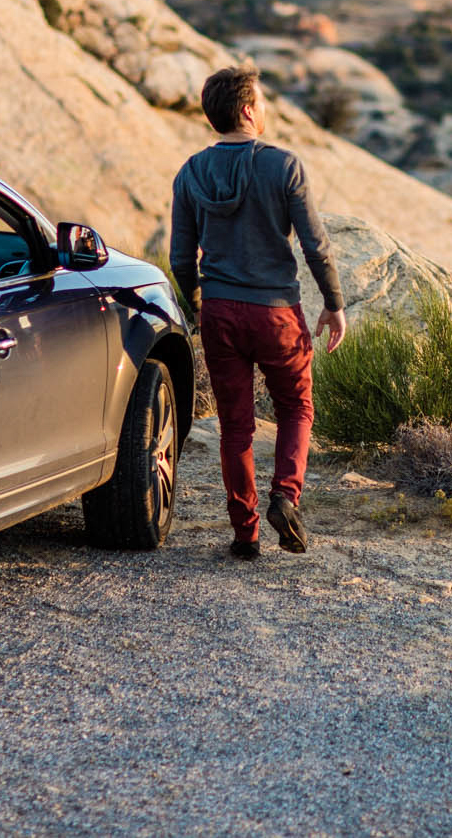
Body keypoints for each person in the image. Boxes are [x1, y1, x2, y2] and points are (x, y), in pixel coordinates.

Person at [170, 64, 346, 560]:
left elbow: (181, 259)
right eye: (263, 101)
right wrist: (333, 304)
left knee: (236, 427)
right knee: (295, 406)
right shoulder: (283, 165)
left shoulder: (190, 173)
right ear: (249, 110)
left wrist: (197, 309)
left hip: (220, 313)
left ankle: (245, 533)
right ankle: (285, 496)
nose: (265, 109)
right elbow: (316, 246)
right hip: (275, 312)